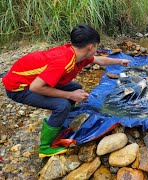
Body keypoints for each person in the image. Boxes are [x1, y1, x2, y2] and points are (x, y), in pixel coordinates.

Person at [2, 24, 130, 158]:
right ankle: (45, 147)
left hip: (33, 81)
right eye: (97, 46)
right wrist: (70, 95)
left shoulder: (78, 54)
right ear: (90, 47)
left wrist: (120, 61)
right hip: (19, 88)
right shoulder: (64, 61)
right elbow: (36, 87)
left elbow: (99, 60)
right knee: (62, 105)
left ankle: (61, 120)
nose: (97, 50)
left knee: (75, 88)